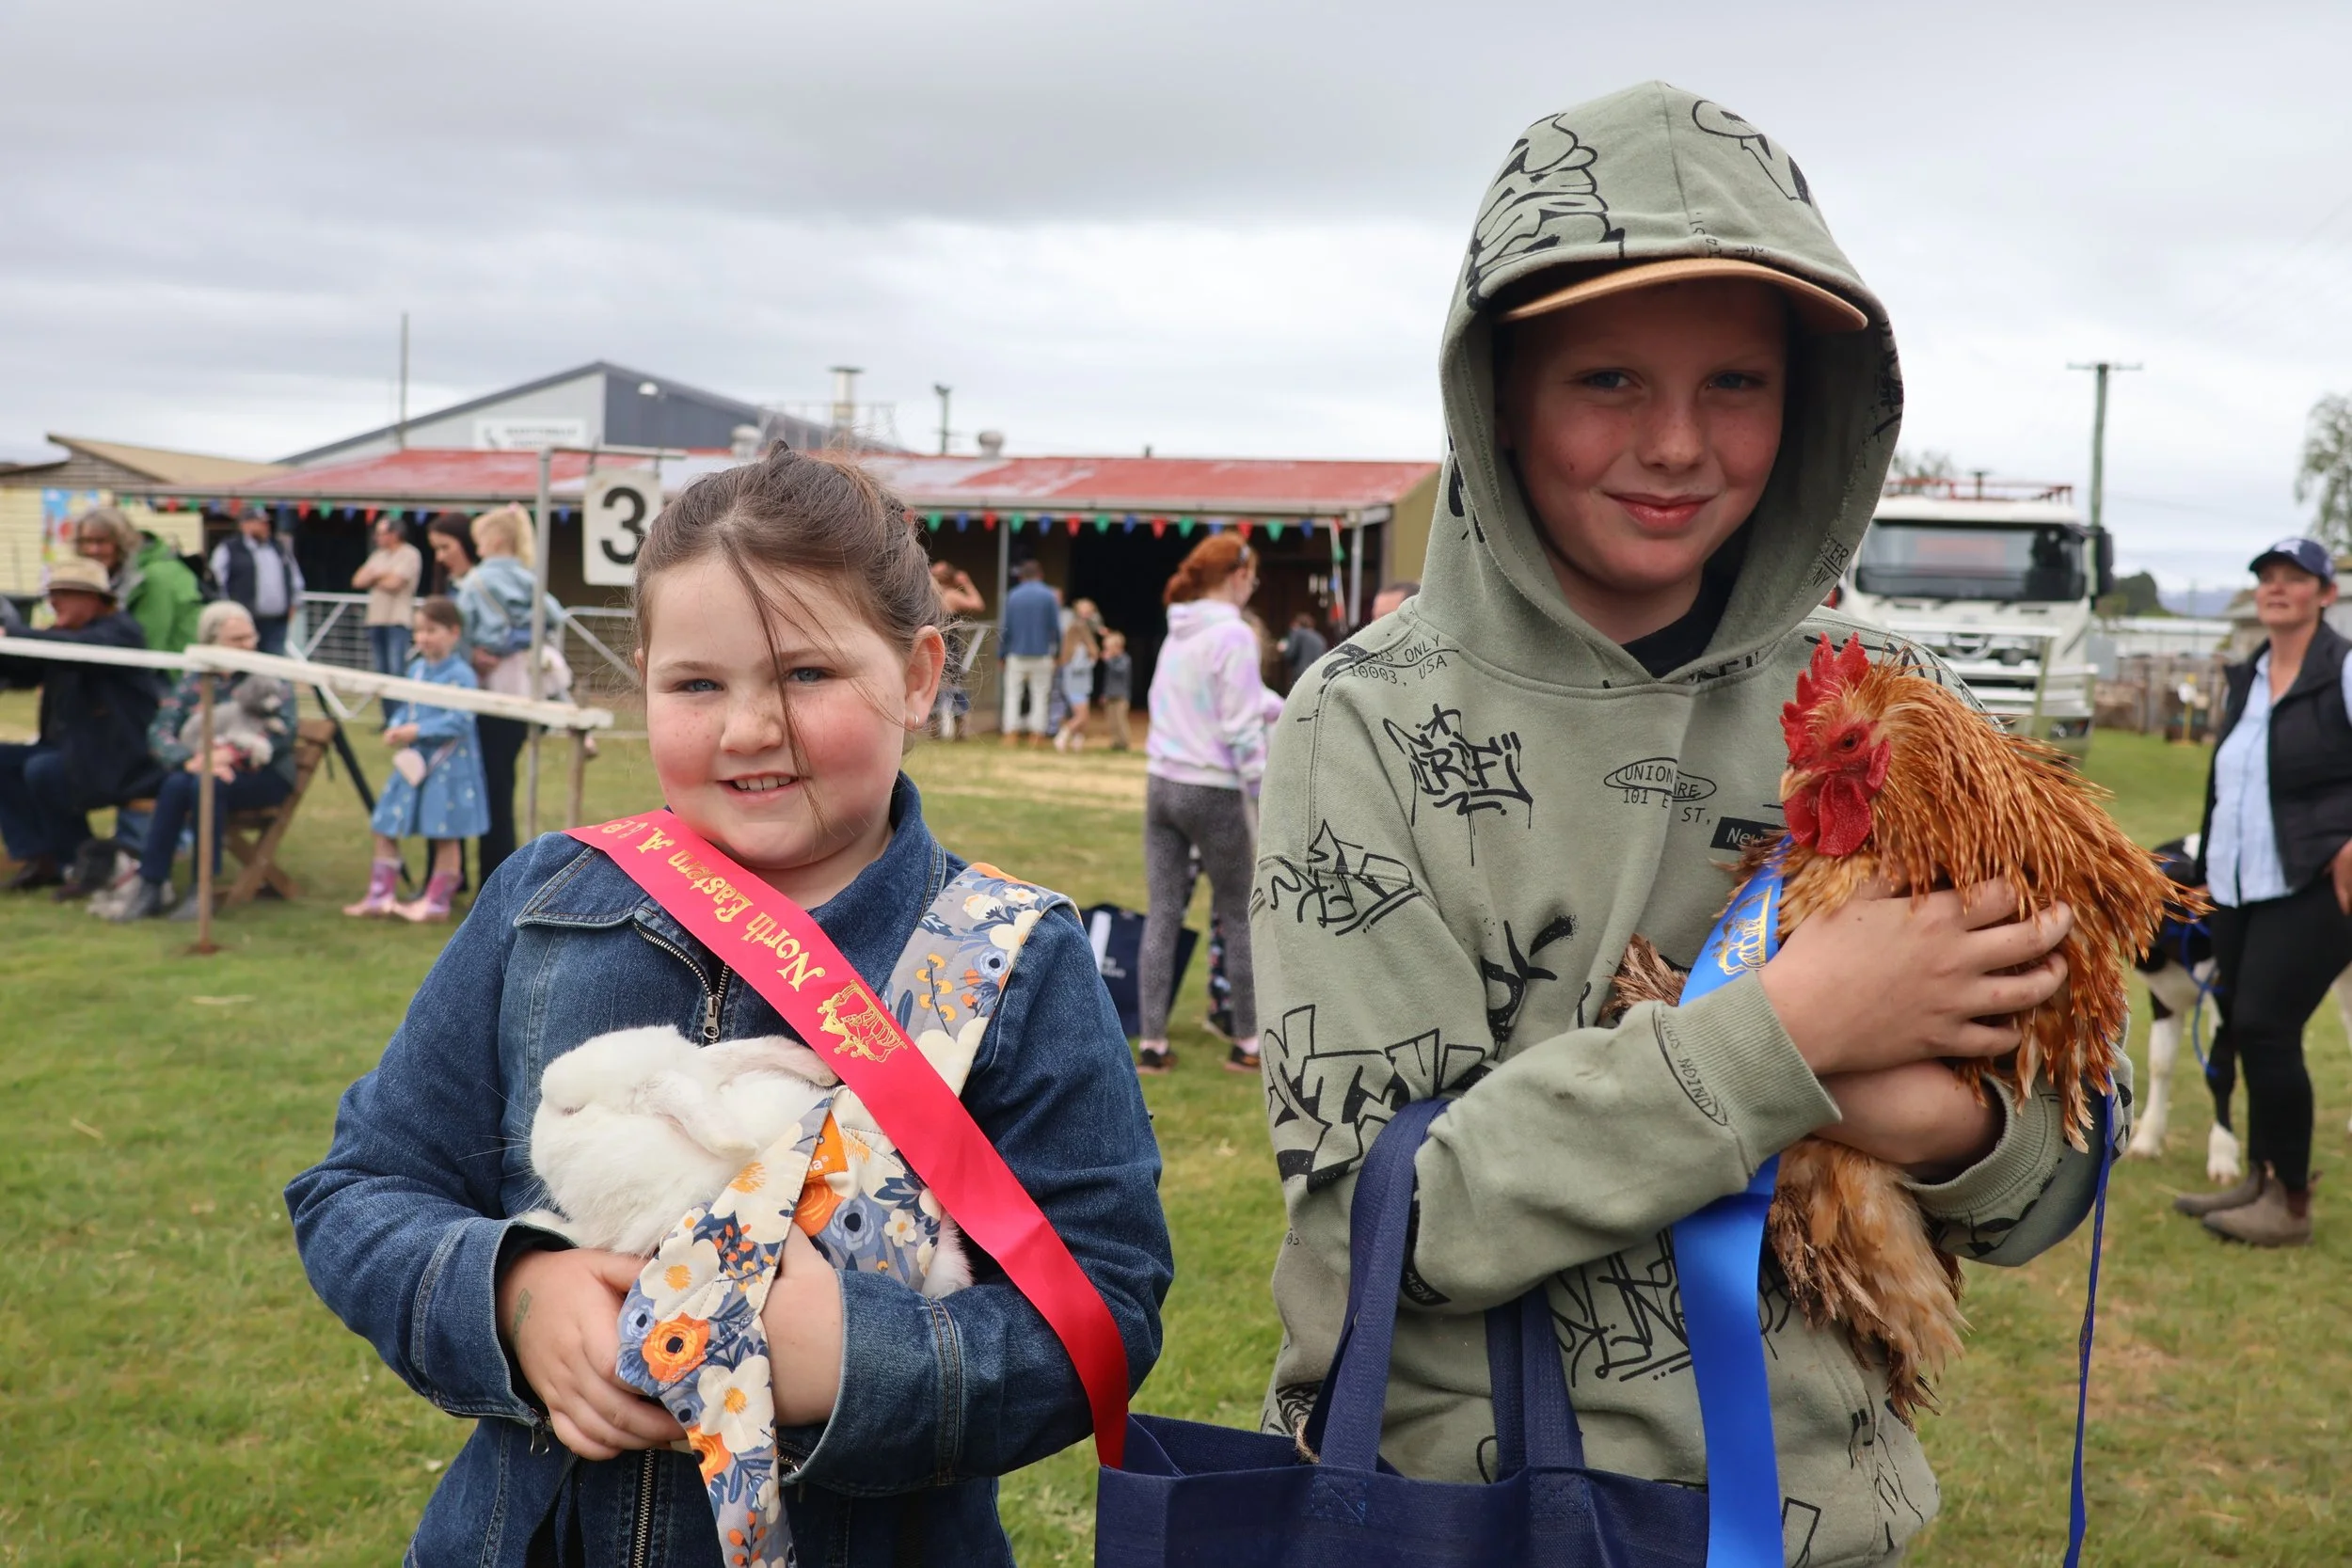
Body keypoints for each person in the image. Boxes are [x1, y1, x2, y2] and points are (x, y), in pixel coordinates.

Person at [1249, 84, 2102, 1561]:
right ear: (1498, 394)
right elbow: (1401, 1225)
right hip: (1479, 1518)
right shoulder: (1365, 724)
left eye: (1737, 385)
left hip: (1821, 1524)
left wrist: (1938, 1119)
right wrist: (1796, 1035)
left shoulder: (1893, 708)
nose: (1677, 445)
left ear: (1813, 403)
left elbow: (2051, 1176)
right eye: (1608, 382)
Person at [286, 447, 1169, 1567]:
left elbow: (1106, 1301)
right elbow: (359, 1187)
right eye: (697, 685)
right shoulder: (541, 903)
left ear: (916, 673)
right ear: (643, 673)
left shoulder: (1019, 962)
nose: (749, 727)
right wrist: (510, 1293)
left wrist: (861, 1360)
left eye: (805, 674)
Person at [2180, 536, 2352, 1246]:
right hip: (2236, 881)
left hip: (2312, 880)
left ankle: (2288, 1202)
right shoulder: (2248, 674)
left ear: (2326, 593)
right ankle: (2259, 1175)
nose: (2278, 588)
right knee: (2243, 1025)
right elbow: (2230, 783)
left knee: (2267, 1025)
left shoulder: (2341, 669)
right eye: (2267, 578)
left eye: (2295, 578)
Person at [1136, 534, 1267, 1073]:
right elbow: (1239, 724)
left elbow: (1209, 702)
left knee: (1164, 911)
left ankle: (1153, 1042)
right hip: (1213, 788)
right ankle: (1249, 1041)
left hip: (1162, 781)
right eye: (1253, 576)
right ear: (1237, 576)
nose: (1254, 586)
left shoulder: (1179, 631)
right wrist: (1262, 790)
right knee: (1240, 914)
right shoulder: (1234, 635)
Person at [111, 601, 297, 923]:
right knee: (179, 782)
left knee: (203, 785)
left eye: (250, 636)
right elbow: (161, 730)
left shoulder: (271, 676)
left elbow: (283, 732)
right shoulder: (194, 679)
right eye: (236, 640)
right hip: (202, 768)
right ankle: (151, 885)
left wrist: (229, 756)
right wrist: (190, 759)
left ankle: (203, 889)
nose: (248, 645)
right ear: (212, 643)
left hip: (262, 773)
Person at [0, 557, 165, 895]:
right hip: (75, 753)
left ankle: (83, 864)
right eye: (51, 594)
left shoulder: (120, 632)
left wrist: (11, 633)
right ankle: (38, 855)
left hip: (120, 760)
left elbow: (75, 652)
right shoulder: (66, 635)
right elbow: (26, 669)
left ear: (93, 599)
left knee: (43, 770)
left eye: (63, 594)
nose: (53, 602)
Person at [425, 507, 558, 881]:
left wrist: (474, 654)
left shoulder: (477, 581)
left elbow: (460, 629)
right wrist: (513, 642)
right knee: (502, 788)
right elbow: (552, 615)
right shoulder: (527, 578)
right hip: (516, 690)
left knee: (473, 785)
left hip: (482, 694)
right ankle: (497, 875)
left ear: (493, 541)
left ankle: (460, 875)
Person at [344, 597, 491, 923]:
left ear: (453, 632)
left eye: (431, 630)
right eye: (418, 631)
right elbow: (405, 709)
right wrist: (397, 727)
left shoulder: (462, 674)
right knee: (384, 824)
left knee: (445, 834)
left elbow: (460, 720)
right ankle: (379, 896)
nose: (423, 637)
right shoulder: (416, 669)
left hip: (449, 766)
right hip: (412, 765)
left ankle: (436, 903)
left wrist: (417, 730)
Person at [74, 506, 202, 654]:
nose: (93, 550)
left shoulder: (154, 576)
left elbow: (148, 644)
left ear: (121, 543)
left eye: (101, 542)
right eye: (86, 541)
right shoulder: (111, 576)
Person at [210, 506, 305, 655]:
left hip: (276, 621)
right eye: (260, 523)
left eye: (266, 523)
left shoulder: (278, 548)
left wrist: (294, 603)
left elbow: (295, 578)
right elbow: (217, 581)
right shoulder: (229, 548)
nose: (265, 527)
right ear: (245, 525)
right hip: (244, 620)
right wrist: (227, 610)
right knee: (245, 661)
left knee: (275, 662)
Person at [352, 516, 423, 686]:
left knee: (396, 670)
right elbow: (357, 581)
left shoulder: (410, 554)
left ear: (395, 534)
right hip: (376, 619)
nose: (377, 538)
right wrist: (385, 575)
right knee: (381, 674)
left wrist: (374, 576)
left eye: (381, 533)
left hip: (397, 620)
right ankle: (388, 712)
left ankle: (400, 712)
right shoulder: (378, 555)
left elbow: (395, 584)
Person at [997, 559, 1059, 744]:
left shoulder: (1013, 595)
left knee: (1012, 694)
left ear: (1021, 576)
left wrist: (1001, 654)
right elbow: (1055, 628)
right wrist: (1058, 653)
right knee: (1040, 694)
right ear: (1040, 575)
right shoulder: (1049, 595)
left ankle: (1011, 733)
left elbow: (1005, 627)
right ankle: (1037, 733)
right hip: (1042, 653)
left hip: (1016, 653)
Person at [930, 560, 985, 738]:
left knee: (938, 687)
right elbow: (978, 603)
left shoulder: (932, 595)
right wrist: (967, 583)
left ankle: (940, 729)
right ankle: (956, 730)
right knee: (952, 688)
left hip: (938, 647)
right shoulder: (948, 595)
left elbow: (978, 605)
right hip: (947, 648)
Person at [1053, 596, 1101, 752]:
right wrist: (1092, 660)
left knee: (1082, 716)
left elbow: (1096, 622)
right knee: (1082, 716)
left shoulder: (1075, 644)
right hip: (1076, 685)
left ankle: (1077, 743)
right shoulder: (1079, 649)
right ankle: (1063, 736)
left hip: (1079, 685)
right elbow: (1078, 667)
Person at [1098, 629, 1134, 750]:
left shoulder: (1124, 659)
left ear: (1118, 647)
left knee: (1120, 721)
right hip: (1110, 695)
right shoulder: (1112, 661)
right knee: (1112, 721)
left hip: (1121, 696)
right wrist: (1105, 694)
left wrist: (1109, 661)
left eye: (1108, 648)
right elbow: (1108, 680)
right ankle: (1115, 742)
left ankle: (1124, 743)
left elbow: (1119, 671)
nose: (1107, 651)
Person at [1278, 610, 1327, 692]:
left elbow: (1290, 654)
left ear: (1298, 623)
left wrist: (1283, 649)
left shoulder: (1297, 633)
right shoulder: (1320, 638)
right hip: (1316, 675)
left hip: (1300, 675)